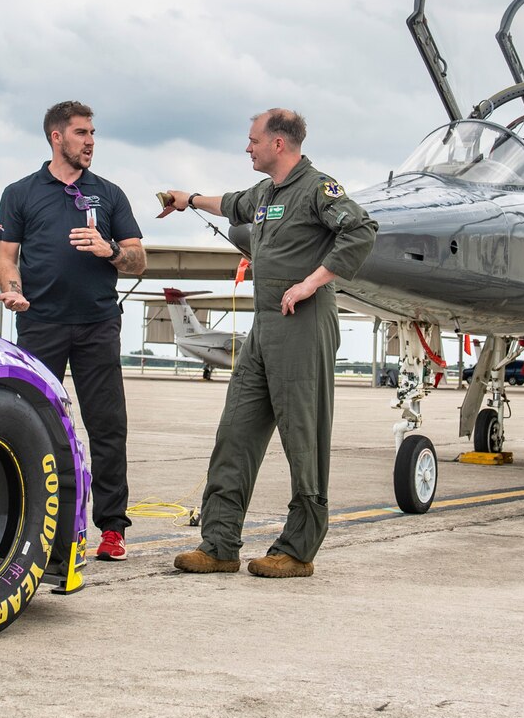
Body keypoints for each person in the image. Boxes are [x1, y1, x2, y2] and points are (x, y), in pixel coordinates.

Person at [157, 108, 376, 579]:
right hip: (263, 328)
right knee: (235, 431)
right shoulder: (265, 193)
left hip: (303, 323)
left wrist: (311, 283)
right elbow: (231, 204)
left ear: (279, 143)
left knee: (303, 436)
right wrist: (188, 199)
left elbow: (360, 230)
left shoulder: (319, 188)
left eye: (253, 140)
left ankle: (297, 549)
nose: (247, 147)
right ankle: (218, 544)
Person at [0, 101, 146, 561]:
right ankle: (34, 525)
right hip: (40, 323)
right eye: (82, 133)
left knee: (107, 427)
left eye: (93, 133)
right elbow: (6, 260)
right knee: (35, 424)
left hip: (98, 323)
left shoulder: (110, 194)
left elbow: (138, 259)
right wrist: (14, 290)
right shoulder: (20, 193)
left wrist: (109, 250)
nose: (91, 141)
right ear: (56, 137)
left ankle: (112, 528)